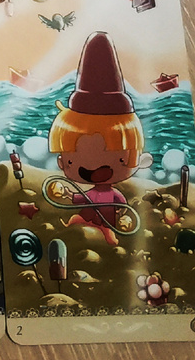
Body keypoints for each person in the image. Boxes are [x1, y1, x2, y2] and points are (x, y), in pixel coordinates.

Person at [48, 32, 151, 245]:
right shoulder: (91, 194)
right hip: (88, 218)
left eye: (120, 159)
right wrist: (68, 195)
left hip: (106, 223)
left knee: (108, 235)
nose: (94, 170)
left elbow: (121, 205)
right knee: (77, 220)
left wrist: (122, 213)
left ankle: (109, 240)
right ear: (62, 161)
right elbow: (79, 199)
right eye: (70, 161)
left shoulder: (114, 196)